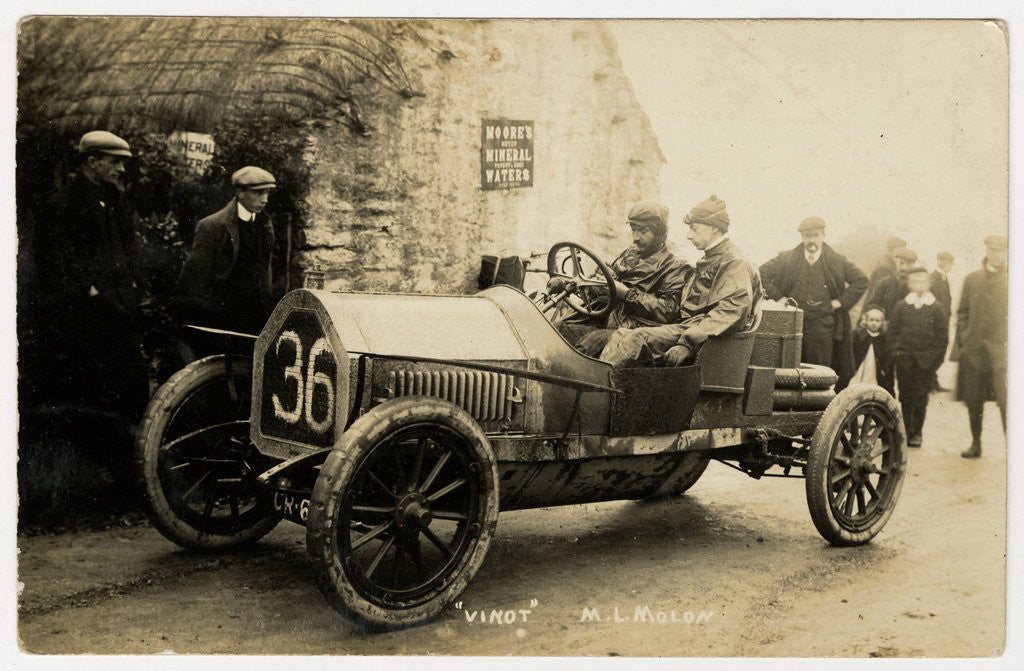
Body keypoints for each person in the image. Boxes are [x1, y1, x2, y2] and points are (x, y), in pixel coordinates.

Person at [32, 130, 150, 480]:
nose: (120, 169)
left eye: (123, 163)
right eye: (113, 162)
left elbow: (129, 252)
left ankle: (124, 468)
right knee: (89, 394)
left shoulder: (115, 200)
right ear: (91, 161)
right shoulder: (60, 205)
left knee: (130, 388)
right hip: (83, 319)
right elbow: (55, 265)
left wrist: (134, 289)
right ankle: (87, 475)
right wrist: (92, 292)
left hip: (120, 311)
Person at [599, 195, 761, 368]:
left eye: (695, 229)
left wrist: (687, 343)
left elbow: (730, 310)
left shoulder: (734, 262)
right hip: (689, 328)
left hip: (700, 334)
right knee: (623, 334)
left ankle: (600, 391)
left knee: (634, 338)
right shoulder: (714, 257)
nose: (689, 236)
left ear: (715, 228)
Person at [548, 200, 691, 357]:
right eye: (633, 230)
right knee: (556, 330)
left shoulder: (675, 265)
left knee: (586, 347)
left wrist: (627, 294)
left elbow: (669, 310)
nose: (635, 237)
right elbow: (609, 285)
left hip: (634, 333)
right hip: (607, 322)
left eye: (643, 231)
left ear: (659, 233)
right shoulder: (629, 255)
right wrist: (594, 284)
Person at [759, 217, 867, 388]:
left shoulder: (837, 260)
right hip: (792, 325)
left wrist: (839, 302)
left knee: (820, 373)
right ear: (802, 237)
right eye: (807, 236)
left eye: (815, 235)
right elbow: (761, 274)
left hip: (823, 326)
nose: (811, 240)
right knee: (790, 371)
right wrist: (779, 298)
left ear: (823, 235)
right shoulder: (787, 258)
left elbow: (861, 280)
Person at [175, 166, 278, 345]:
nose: (265, 199)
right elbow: (194, 279)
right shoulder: (212, 226)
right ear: (240, 192)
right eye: (258, 193)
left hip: (255, 316)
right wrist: (210, 313)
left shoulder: (265, 225)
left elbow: (264, 271)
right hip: (222, 317)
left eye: (267, 193)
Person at [953, 235, 1007, 459]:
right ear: (986, 250)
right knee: (974, 400)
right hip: (975, 351)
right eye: (991, 250)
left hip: (1003, 352)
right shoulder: (972, 279)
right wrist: (965, 340)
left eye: (1000, 250)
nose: (995, 254)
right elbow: (962, 312)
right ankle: (976, 443)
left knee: (1008, 401)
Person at [889, 268, 949, 447]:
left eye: (922, 281)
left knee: (921, 397)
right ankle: (906, 431)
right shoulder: (901, 306)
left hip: (925, 361)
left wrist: (934, 361)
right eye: (914, 281)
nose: (918, 285)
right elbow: (893, 332)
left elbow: (942, 338)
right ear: (909, 284)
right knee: (905, 397)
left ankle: (917, 433)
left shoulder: (936, 307)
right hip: (905, 359)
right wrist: (897, 354)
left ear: (929, 283)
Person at [851, 305, 894, 396]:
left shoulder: (884, 339)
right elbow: (852, 353)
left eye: (877, 321)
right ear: (866, 321)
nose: (874, 323)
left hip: (876, 370)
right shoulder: (858, 335)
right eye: (871, 320)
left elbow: (888, 357)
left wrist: (884, 369)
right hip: (860, 369)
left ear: (882, 323)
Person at [871, 247, 918, 318]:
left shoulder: (917, 286)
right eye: (901, 263)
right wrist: (879, 315)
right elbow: (873, 304)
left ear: (913, 265)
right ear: (896, 262)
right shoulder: (885, 282)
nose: (904, 267)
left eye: (909, 264)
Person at [865, 236, 907, 304]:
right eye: (901, 250)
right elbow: (876, 294)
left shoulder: (891, 264)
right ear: (891, 250)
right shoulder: (885, 267)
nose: (903, 253)